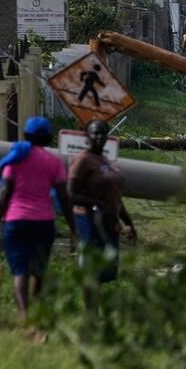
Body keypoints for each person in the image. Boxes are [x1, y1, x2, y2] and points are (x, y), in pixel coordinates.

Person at [0, 117, 77, 323]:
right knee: (39, 270)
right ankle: (36, 313)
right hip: (43, 223)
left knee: (20, 271)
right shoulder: (54, 163)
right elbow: (64, 197)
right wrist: (74, 229)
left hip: (16, 221)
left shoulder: (16, 158)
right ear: (48, 138)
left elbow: (4, 193)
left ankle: (25, 316)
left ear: (26, 136)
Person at [69, 119, 136, 309]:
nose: (98, 137)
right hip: (89, 220)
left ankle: (96, 307)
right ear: (87, 136)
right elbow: (71, 194)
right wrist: (96, 204)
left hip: (109, 220)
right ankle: (91, 313)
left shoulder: (106, 161)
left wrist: (129, 222)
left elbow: (115, 197)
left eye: (102, 133)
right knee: (91, 267)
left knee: (106, 269)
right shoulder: (82, 160)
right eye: (94, 133)